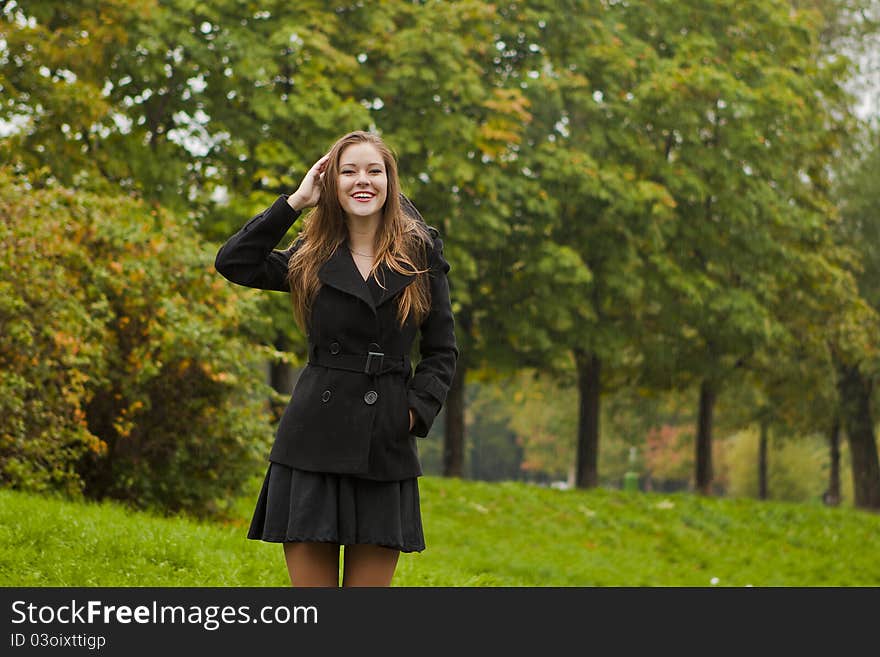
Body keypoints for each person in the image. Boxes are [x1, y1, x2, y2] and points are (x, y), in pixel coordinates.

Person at [214, 130, 458, 587]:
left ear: (390, 183)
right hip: (312, 445)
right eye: (348, 171)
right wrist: (296, 201)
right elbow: (235, 261)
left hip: (385, 446)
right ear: (332, 182)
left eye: (374, 171)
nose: (361, 181)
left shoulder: (420, 255)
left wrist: (412, 412)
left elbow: (442, 350)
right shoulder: (310, 257)